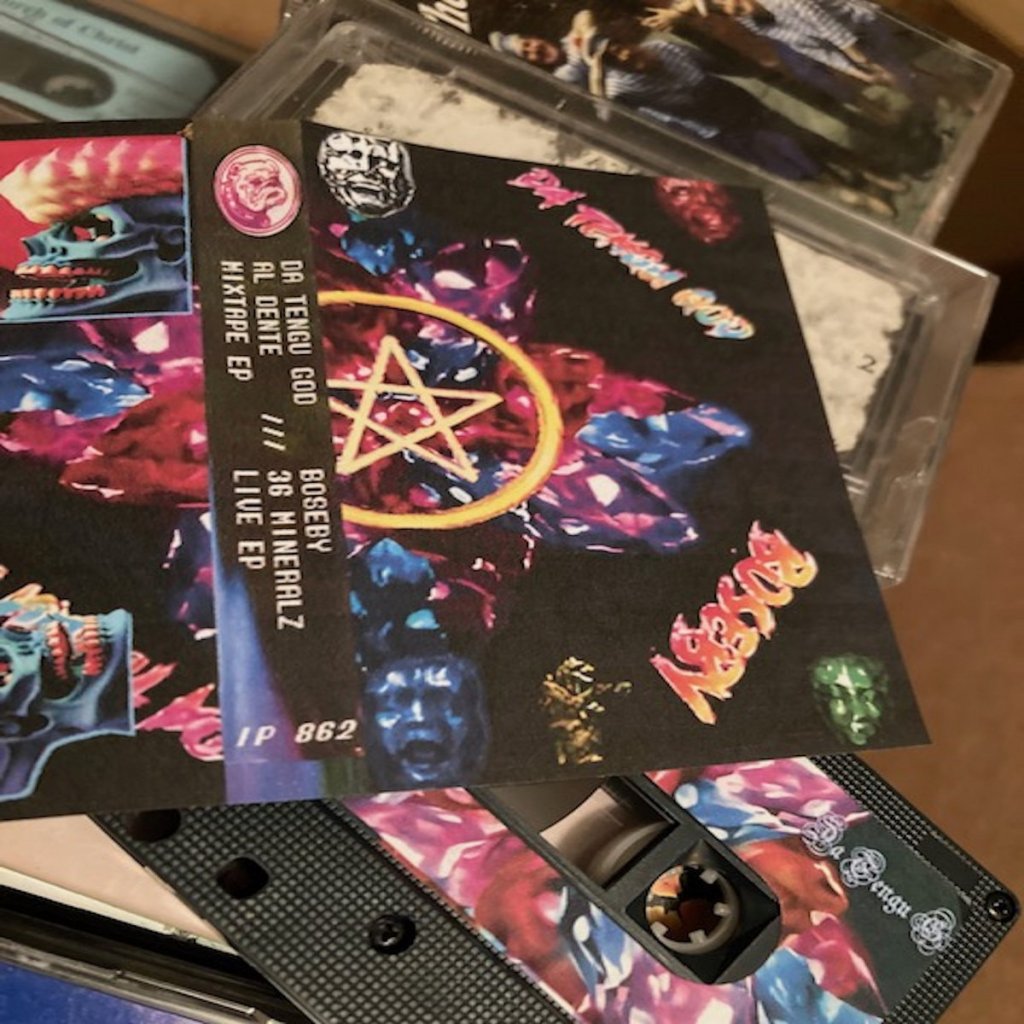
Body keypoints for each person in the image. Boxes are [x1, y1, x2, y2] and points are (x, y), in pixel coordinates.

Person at [488, 21, 902, 215]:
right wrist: (598, 70)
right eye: (614, 57)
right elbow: (606, 115)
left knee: (804, 136)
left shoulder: (663, 48)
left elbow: (712, 64)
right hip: (716, 128)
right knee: (788, 157)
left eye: (620, 48)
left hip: (732, 101)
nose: (624, 55)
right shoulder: (615, 86)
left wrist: (761, 71)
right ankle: (849, 193)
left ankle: (871, 172)